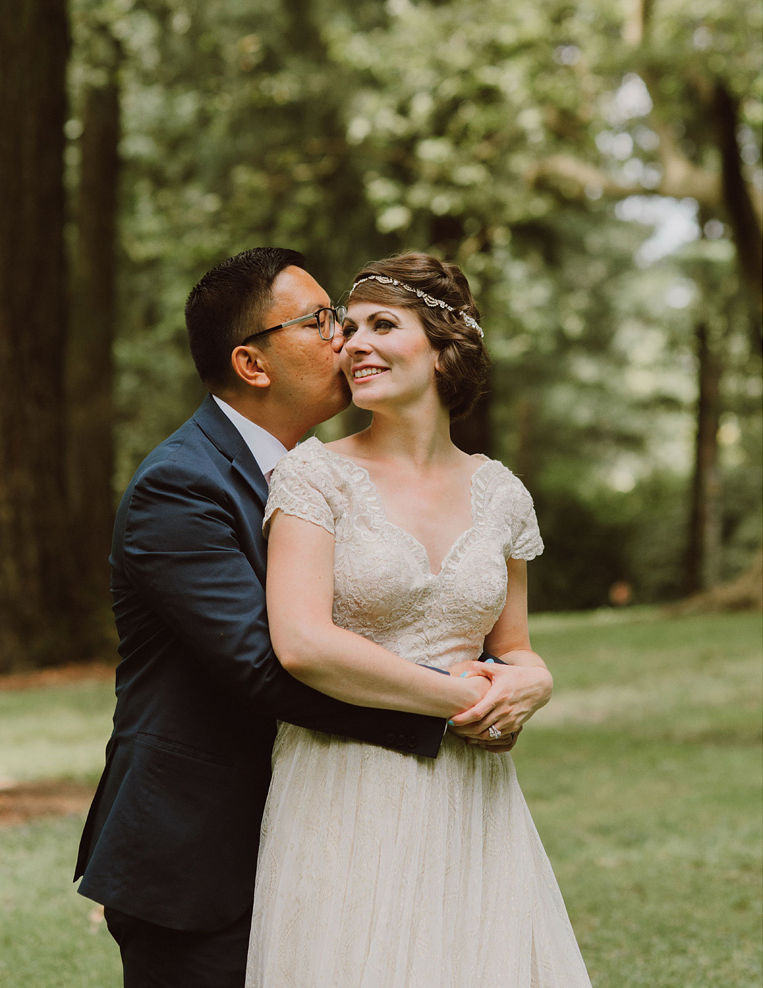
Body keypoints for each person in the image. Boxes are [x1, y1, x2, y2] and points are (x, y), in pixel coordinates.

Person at [75, 247, 521, 988]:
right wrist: (455, 707)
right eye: (322, 323)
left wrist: (516, 675)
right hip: (200, 850)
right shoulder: (180, 486)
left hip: (330, 829)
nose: (346, 341)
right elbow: (264, 662)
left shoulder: (327, 476)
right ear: (253, 365)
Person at [243, 252, 591, 986]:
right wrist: (469, 699)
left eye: (383, 326)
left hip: (473, 795)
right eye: (347, 327)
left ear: (441, 351)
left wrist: (537, 684)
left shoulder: (501, 494)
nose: (353, 343)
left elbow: (516, 648)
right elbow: (304, 644)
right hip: (343, 783)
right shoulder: (314, 475)